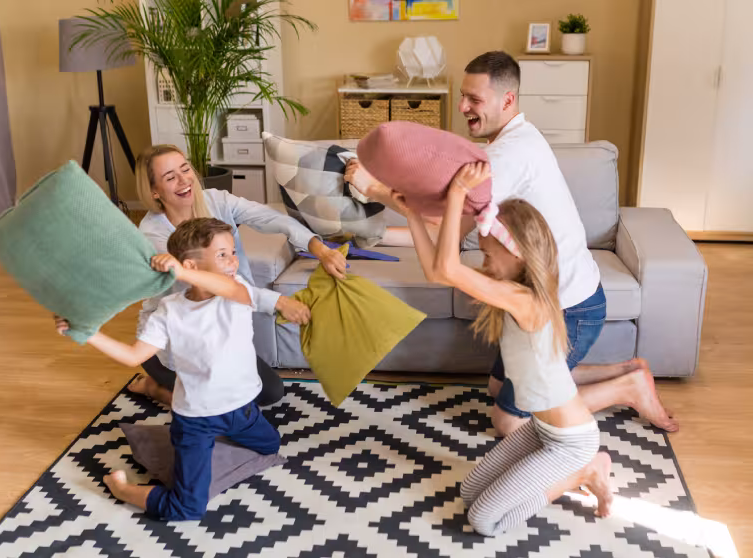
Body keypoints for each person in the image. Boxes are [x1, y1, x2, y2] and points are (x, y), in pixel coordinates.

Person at [348, 51, 678, 436]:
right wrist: (386, 220)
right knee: (496, 387)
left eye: (474, 99)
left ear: (508, 100)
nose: (462, 107)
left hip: (566, 306)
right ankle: (626, 369)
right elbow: (445, 238)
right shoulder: (513, 140)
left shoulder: (506, 156)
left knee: (510, 421)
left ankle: (626, 387)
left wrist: (376, 190)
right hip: (556, 293)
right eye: (462, 96)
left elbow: (446, 239)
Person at [400, 162, 613, 535]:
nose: (483, 264)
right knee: (469, 492)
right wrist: (411, 215)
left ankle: (585, 471)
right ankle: (580, 470)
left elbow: (448, 269)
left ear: (517, 255)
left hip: (570, 442)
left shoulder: (525, 299)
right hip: (538, 429)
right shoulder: (510, 287)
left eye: (487, 255)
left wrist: (457, 195)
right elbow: (438, 271)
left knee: (483, 520)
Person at [56, 218, 283, 520]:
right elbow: (133, 355)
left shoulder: (236, 291)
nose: (233, 259)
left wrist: (183, 270)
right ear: (191, 263)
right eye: (222, 254)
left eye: (232, 251)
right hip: (196, 420)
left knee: (271, 445)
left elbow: (226, 286)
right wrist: (90, 334)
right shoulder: (170, 310)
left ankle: (161, 394)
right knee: (188, 508)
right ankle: (123, 490)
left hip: (242, 409)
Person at [131, 144, 348, 408]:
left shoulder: (217, 201)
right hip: (177, 343)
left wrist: (320, 249)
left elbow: (270, 218)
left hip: (222, 333)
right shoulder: (153, 236)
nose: (183, 180)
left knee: (269, 393)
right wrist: (279, 302)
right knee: (215, 408)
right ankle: (159, 389)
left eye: (185, 169)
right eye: (170, 177)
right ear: (154, 191)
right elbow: (213, 287)